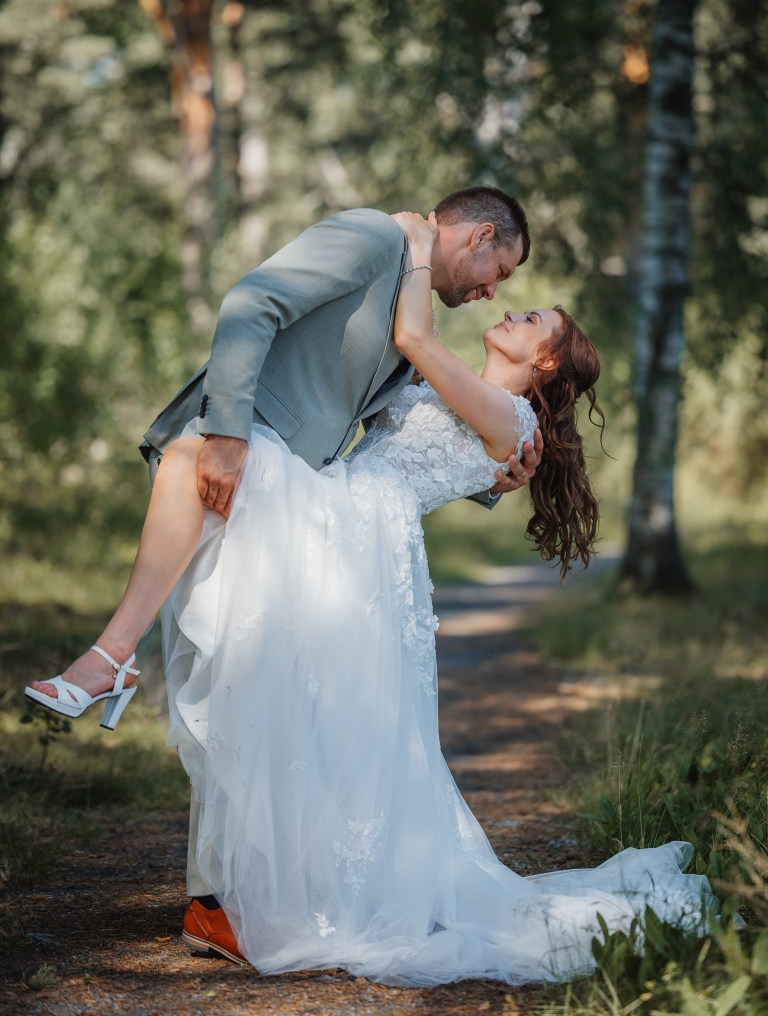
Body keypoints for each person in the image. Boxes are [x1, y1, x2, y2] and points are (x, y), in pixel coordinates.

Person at [25, 212, 716, 986]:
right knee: (269, 695)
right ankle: (228, 894)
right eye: (510, 292)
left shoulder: (506, 412)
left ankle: (113, 660)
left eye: (529, 319)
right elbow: (417, 411)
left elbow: (416, 343)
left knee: (194, 455)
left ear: (547, 364)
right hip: (347, 511)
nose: (505, 307)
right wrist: (497, 479)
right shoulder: (483, 409)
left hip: (359, 526)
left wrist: (419, 250)